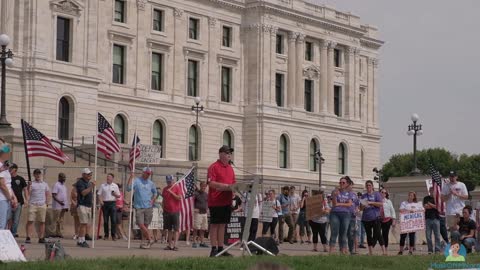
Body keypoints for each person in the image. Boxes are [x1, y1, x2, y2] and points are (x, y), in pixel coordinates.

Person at [206, 145, 236, 257]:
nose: (229, 155)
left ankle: (221, 248)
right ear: (221, 154)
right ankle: (213, 249)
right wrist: (225, 186)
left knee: (222, 225)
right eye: (227, 153)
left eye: (230, 153)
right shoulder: (213, 167)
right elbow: (211, 183)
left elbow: (233, 183)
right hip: (215, 201)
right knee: (215, 225)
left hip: (226, 201)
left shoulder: (230, 168)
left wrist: (234, 189)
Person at [127, 167, 157, 249]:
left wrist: (153, 199)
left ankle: (143, 243)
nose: (148, 175)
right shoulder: (136, 181)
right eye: (147, 173)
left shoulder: (151, 183)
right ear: (143, 172)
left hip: (148, 207)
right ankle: (150, 238)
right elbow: (128, 188)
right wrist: (131, 177)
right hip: (139, 207)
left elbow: (155, 192)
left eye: (149, 174)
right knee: (140, 224)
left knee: (146, 226)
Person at [329, 176, 354, 254]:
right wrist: (335, 196)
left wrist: (339, 204)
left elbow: (350, 204)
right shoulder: (335, 191)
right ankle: (331, 251)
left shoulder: (349, 193)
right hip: (335, 213)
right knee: (334, 232)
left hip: (346, 214)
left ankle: (343, 251)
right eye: (340, 182)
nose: (341, 184)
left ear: (346, 184)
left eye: (343, 182)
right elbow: (334, 204)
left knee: (344, 233)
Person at [360, 180, 385, 255]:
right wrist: (363, 206)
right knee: (368, 235)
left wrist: (371, 203)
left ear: (372, 186)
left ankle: (384, 251)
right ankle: (371, 252)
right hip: (366, 218)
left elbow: (381, 204)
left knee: (378, 234)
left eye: (369, 185)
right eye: (367, 185)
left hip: (375, 217)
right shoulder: (363, 196)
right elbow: (360, 208)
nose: (368, 187)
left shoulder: (376, 194)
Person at [25, 169, 50, 244]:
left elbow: (48, 193)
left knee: (42, 221)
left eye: (39, 173)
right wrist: (29, 186)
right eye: (36, 174)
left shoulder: (44, 184)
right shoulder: (31, 183)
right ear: (34, 175)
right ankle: (28, 237)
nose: (38, 175)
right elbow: (28, 193)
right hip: (33, 204)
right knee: (30, 221)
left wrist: (47, 203)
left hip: (42, 205)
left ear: (41, 175)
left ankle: (41, 237)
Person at [74, 168, 95, 247]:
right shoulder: (80, 183)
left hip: (88, 205)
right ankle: (81, 240)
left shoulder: (88, 183)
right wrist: (91, 187)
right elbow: (83, 193)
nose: (90, 175)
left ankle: (82, 239)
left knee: (85, 223)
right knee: (83, 223)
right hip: (82, 205)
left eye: (90, 173)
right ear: (83, 175)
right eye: (87, 174)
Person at [97, 173, 120, 241]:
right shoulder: (103, 185)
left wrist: (114, 194)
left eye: (109, 177)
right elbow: (99, 194)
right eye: (107, 177)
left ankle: (113, 235)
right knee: (106, 221)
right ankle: (106, 235)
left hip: (112, 203)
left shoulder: (115, 186)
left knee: (113, 220)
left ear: (112, 178)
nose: (108, 179)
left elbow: (118, 196)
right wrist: (101, 201)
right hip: (105, 203)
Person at [162, 175, 182, 251]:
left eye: (170, 181)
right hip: (167, 211)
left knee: (176, 229)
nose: (169, 182)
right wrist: (163, 209)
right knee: (169, 229)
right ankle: (170, 245)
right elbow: (164, 200)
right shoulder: (164, 189)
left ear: (173, 180)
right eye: (168, 181)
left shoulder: (176, 187)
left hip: (175, 211)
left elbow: (179, 198)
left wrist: (171, 192)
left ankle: (175, 244)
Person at [0, 140, 15, 230]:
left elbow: (8, 184)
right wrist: (10, 198)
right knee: (1, 225)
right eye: (8, 151)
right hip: (2, 198)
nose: (9, 153)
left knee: (5, 224)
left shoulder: (4, 166)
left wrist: (13, 197)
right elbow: (2, 185)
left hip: (6, 199)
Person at [9, 163, 27, 237]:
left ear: (15, 169)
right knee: (8, 219)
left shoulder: (20, 179)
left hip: (19, 202)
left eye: (11, 168)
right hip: (9, 201)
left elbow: (25, 189)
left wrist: (27, 200)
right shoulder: (7, 178)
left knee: (16, 220)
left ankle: (13, 233)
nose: (10, 169)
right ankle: (8, 233)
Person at [423, 186, 441, 254]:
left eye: (433, 190)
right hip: (428, 219)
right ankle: (430, 249)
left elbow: (438, 207)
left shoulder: (437, 198)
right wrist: (433, 206)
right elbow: (425, 207)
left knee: (437, 235)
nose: (432, 191)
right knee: (428, 236)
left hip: (436, 219)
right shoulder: (426, 198)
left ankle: (437, 249)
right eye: (431, 190)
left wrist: (430, 204)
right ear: (429, 191)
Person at [51, 172, 69, 238]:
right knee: (56, 219)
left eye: (64, 177)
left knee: (60, 220)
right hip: (57, 206)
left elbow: (65, 196)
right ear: (59, 177)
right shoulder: (56, 185)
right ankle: (54, 232)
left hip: (63, 206)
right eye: (62, 177)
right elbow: (53, 195)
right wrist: (59, 202)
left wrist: (66, 206)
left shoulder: (64, 186)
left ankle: (59, 232)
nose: (64, 179)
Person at [193, 181, 209, 248]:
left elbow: (207, 202)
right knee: (196, 228)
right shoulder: (196, 194)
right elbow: (191, 202)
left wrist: (207, 208)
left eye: (205, 186)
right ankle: (194, 242)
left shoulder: (206, 194)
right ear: (200, 186)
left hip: (204, 213)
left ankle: (202, 242)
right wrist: (194, 209)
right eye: (202, 186)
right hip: (198, 214)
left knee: (203, 229)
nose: (204, 187)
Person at [380, 188, 396, 253]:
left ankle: (385, 249)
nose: (383, 194)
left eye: (385, 193)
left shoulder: (388, 201)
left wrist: (394, 219)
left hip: (387, 219)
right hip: (379, 219)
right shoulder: (377, 200)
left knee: (385, 234)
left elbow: (392, 210)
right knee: (378, 234)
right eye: (382, 192)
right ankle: (373, 248)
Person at [346, 178, 358, 255]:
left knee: (351, 234)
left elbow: (357, 205)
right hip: (345, 215)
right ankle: (343, 249)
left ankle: (351, 250)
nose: (351, 187)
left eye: (352, 186)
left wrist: (357, 210)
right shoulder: (344, 194)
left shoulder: (354, 195)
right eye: (350, 185)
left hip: (353, 216)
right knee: (344, 233)